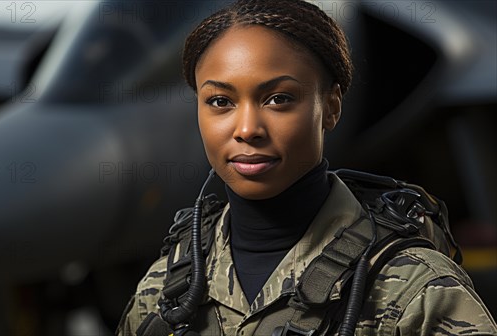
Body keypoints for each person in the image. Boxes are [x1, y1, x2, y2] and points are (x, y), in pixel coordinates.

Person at [116, 0, 497, 335]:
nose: (247, 129)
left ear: (330, 107)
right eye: (220, 101)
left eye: (279, 99)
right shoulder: (166, 287)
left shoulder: (413, 288)